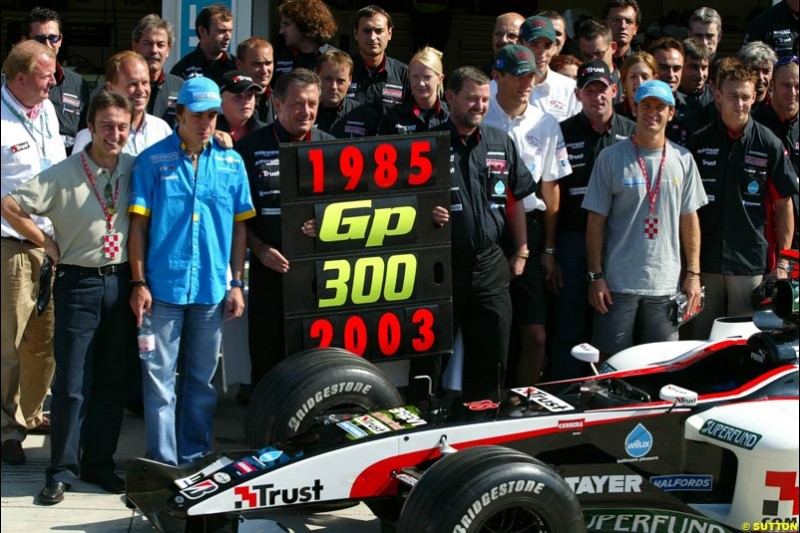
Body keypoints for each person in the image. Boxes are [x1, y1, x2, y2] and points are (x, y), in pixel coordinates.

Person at [2, 90, 136, 504]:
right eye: (106, 126)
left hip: (122, 283)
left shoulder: (136, 167)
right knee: (72, 384)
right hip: (77, 283)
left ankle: (99, 462)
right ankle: (61, 470)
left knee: (112, 381)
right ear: (90, 127)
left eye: (122, 126)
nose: (114, 134)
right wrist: (44, 240)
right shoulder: (64, 173)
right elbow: (9, 203)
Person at [127, 76, 255, 465]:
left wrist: (237, 283)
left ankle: (195, 456)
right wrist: (138, 282)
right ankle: (163, 461)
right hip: (162, 289)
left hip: (211, 289)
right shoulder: (152, 160)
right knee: (159, 383)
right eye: (197, 115)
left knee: (201, 382)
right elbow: (138, 227)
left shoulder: (232, 163)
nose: (205, 123)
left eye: (213, 115)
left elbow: (239, 227)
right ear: (178, 114)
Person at [426, 66, 537, 399]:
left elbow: (515, 200)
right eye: (472, 99)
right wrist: (425, 214)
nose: (480, 106)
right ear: (450, 97)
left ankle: (483, 423)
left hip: (491, 264)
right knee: (432, 358)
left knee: (492, 356)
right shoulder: (426, 145)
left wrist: (521, 251)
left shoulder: (500, 141)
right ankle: (425, 427)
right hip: (440, 267)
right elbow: (401, 205)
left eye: (485, 99)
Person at [582, 80, 707, 356]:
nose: (653, 113)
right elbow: (595, 221)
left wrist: (693, 274)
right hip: (617, 285)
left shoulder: (683, 159)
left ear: (671, 113)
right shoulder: (611, 158)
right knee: (610, 366)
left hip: (664, 284)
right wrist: (596, 276)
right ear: (634, 109)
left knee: (660, 366)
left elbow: (690, 220)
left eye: (660, 107)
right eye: (646, 106)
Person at [234, 69, 335, 393]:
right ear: (277, 103)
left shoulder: (334, 148)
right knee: (267, 361)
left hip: (321, 275)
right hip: (268, 270)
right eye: (296, 104)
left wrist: (329, 223)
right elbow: (237, 218)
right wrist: (260, 248)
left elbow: (355, 208)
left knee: (317, 365)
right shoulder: (249, 148)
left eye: (312, 104)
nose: (305, 112)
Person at [684, 59, 797, 340]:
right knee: (699, 338)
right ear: (718, 95)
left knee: (743, 340)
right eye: (733, 95)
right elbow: (686, 208)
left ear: (756, 96)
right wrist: (690, 267)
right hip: (705, 262)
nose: (740, 103)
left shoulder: (768, 143)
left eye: (746, 96)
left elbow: (785, 205)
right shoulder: (698, 141)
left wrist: (782, 263)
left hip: (749, 262)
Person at [484, 45, 572, 385]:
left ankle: (524, 400)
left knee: (535, 334)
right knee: (493, 330)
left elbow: (551, 188)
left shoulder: (546, 122)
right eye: (518, 76)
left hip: (531, 231)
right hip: (489, 228)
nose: (526, 83)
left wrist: (549, 248)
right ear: (498, 76)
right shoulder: (482, 112)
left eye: (531, 76)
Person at [550, 60, 636, 379]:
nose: (596, 96)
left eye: (603, 89)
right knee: (569, 324)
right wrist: (551, 251)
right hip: (573, 239)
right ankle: (566, 392)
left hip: (619, 242)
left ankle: (609, 390)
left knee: (613, 323)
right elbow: (552, 192)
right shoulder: (563, 132)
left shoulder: (631, 131)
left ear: (615, 91)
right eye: (589, 91)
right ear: (578, 95)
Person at [1, 40, 65, 466]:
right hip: (11, 246)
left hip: (51, 247)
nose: (53, 83)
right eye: (46, 77)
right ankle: (6, 429)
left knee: (43, 343)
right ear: (20, 78)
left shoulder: (47, 111)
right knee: (7, 345)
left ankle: (32, 412)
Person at [20, 7, 90, 155]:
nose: (47, 45)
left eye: (53, 38)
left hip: (69, 170)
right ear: (24, 41)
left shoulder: (78, 84)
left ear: (60, 40)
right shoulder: (10, 83)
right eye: (39, 39)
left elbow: (85, 135)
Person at [73, 52, 172, 155]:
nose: (141, 90)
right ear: (110, 88)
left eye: (145, 83)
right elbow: (75, 170)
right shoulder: (90, 136)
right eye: (132, 84)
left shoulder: (161, 130)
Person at [517, 16, 582, 122]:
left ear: (555, 47)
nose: (542, 53)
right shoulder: (498, 87)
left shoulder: (570, 89)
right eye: (534, 45)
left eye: (547, 46)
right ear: (519, 44)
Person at [347, 5, 409, 115]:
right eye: (366, 31)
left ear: (390, 34)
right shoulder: (343, 71)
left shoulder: (404, 74)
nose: (372, 37)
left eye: (379, 31)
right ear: (356, 34)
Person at [379, 46, 448, 134]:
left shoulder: (452, 115)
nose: (421, 83)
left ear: (440, 79)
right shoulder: (394, 117)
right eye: (415, 77)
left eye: (427, 77)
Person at [131, 14, 184, 128]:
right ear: (135, 47)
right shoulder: (121, 86)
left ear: (168, 50)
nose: (154, 50)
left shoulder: (180, 87)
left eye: (160, 45)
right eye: (148, 44)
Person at [314, 50, 380, 138]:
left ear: (350, 80)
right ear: (316, 77)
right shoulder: (305, 114)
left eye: (340, 81)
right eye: (328, 79)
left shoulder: (366, 116)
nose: (334, 86)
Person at [273, 0, 338, 86]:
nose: (281, 31)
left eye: (286, 24)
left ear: (306, 25)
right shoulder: (277, 58)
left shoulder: (336, 59)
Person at [170, 3, 236, 85]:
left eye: (230, 31)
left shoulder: (237, 66)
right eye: (221, 31)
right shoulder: (183, 69)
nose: (228, 37)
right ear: (202, 31)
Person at [649, 37, 691, 144]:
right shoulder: (637, 105)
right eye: (664, 67)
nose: (671, 75)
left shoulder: (693, 109)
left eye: (676, 68)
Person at [578, 20, 623, 103]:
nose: (593, 60)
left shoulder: (627, 82)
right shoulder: (576, 84)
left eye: (599, 54)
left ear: (613, 47)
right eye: (587, 56)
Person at [216, 70, 266, 142]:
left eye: (249, 95)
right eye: (238, 96)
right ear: (221, 100)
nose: (246, 101)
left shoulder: (266, 133)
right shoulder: (208, 132)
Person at [236, 38, 276, 124]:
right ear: (239, 64)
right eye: (257, 64)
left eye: (268, 63)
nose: (264, 70)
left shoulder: (281, 100)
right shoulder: (228, 103)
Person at [614, 51, 657, 120]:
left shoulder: (661, 112)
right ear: (624, 82)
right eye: (633, 77)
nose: (639, 83)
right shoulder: (614, 114)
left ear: (655, 80)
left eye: (645, 77)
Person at [737, 42, 778, 113]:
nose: (760, 77)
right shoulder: (732, 102)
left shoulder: (779, 105)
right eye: (754, 70)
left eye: (766, 71)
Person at [604, 0, 642, 69]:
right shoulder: (595, 62)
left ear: (635, 29)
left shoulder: (642, 65)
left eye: (628, 21)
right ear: (605, 25)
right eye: (616, 20)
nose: (623, 26)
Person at [680, 38, 714, 110]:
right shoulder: (668, 99)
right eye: (693, 67)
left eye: (704, 68)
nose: (700, 75)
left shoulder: (716, 99)